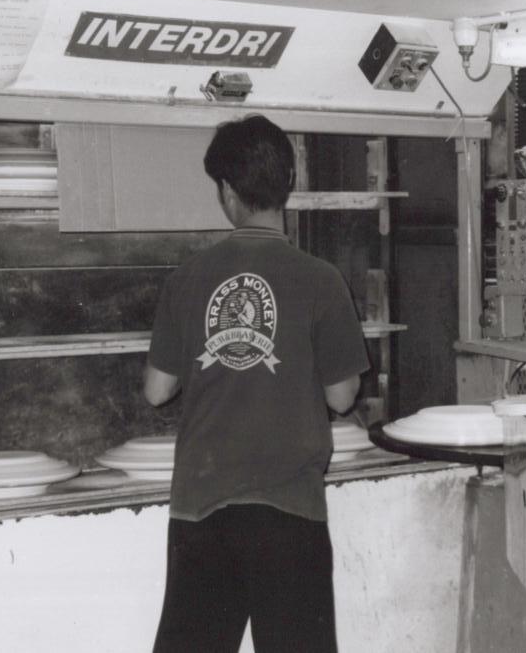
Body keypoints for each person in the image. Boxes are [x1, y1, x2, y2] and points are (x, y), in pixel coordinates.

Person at [145, 114, 370, 653]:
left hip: (203, 508)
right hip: (290, 511)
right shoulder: (321, 279)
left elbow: (157, 389)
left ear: (226, 192)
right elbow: (343, 397)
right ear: (288, 184)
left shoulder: (188, 277)